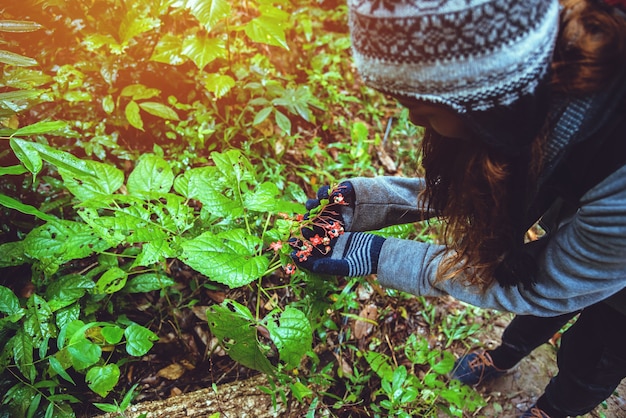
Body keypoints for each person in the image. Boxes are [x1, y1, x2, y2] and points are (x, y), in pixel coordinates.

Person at [290, 0, 626, 416]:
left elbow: (550, 282)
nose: (412, 120)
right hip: (588, 219)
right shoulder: (548, 76)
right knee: (533, 320)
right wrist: (369, 200)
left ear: (485, 104)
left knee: (596, 351)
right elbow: (501, 180)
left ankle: (553, 409)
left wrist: (379, 255)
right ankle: (507, 355)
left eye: (422, 108)